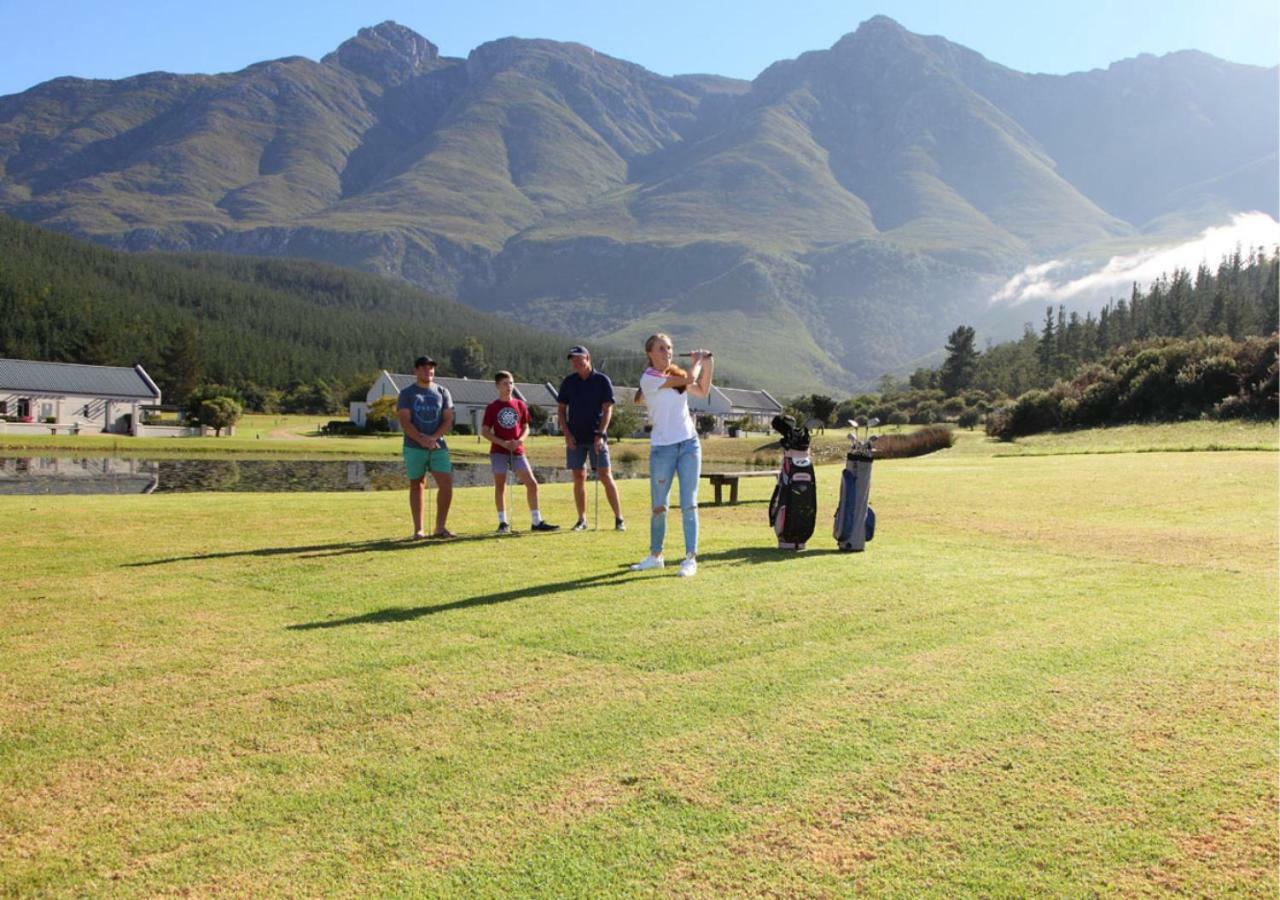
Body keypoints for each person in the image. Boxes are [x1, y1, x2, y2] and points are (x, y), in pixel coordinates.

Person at [630, 334, 713, 577]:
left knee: (689, 503)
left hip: (689, 444)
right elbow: (689, 377)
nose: (668, 352)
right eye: (662, 348)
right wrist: (697, 361)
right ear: (650, 353)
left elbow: (701, 389)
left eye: (670, 348)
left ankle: (690, 559)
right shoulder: (650, 378)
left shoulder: (674, 375)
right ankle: (656, 556)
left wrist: (708, 364)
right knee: (659, 506)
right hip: (662, 449)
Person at [481, 370, 559, 534]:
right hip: (498, 452)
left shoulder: (520, 405)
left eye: (511, 383)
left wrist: (520, 440)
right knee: (500, 486)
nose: (509, 386)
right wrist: (502, 443)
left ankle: (536, 521)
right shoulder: (492, 407)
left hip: (517, 451)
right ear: (497, 386)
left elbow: (525, 427)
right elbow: (485, 431)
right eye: (505, 383)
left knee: (532, 483)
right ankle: (503, 522)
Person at [556, 345, 625, 531]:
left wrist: (601, 434)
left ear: (588, 358)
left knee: (605, 475)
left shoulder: (602, 380)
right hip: (574, 438)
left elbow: (607, 409)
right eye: (573, 359)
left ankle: (619, 519)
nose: (576, 362)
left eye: (579, 358)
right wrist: (566, 434)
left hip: (596, 437)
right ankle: (582, 520)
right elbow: (562, 410)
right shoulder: (568, 382)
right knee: (579, 477)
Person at [397, 355, 455, 539]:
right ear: (416, 371)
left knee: (446, 485)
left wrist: (433, 438)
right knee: (417, 484)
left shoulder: (443, 392)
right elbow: (404, 421)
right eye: (423, 368)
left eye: (431, 368)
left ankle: (440, 528)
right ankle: (419, 530)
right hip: (414, 447)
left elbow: (448, 419)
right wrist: (422, 440)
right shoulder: (407, 393)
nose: (428, 371)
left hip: (439, 446)